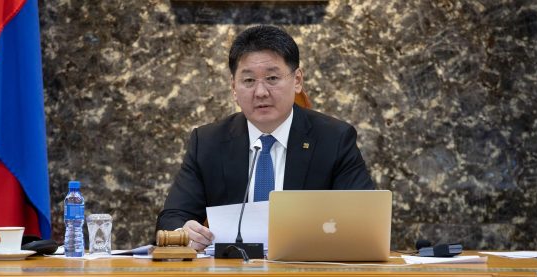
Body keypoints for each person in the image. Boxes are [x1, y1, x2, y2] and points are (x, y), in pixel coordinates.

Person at [156, 25, 375, 251]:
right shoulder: (208, 142)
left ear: (297, 80)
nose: (260, 92)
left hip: (306, 267)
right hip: (231, 270)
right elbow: (172, 217)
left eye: (272, 78)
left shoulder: (334, 139)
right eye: (249, 81)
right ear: (234, 88)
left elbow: (365, 220)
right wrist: (184, 231)